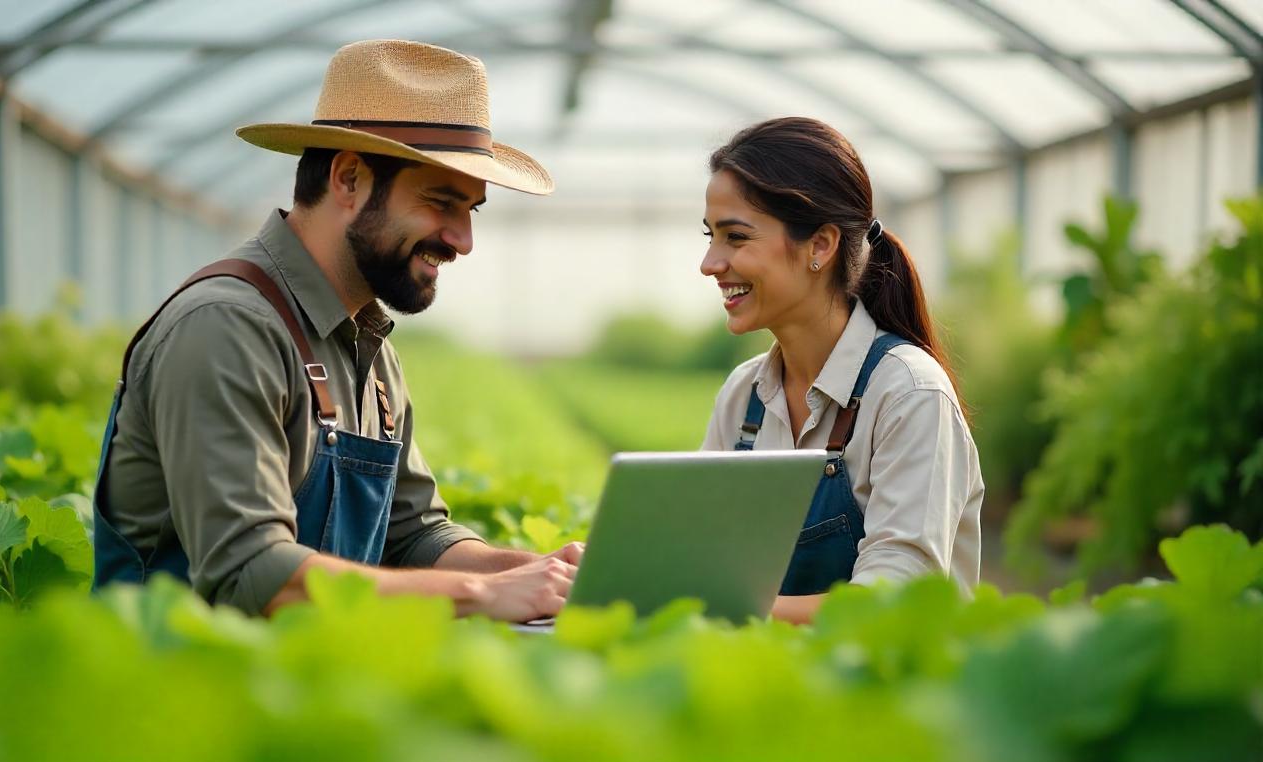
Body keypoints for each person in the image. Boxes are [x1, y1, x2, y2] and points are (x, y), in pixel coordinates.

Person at [91, 39, 580, 620]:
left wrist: (544, 573)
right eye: (441, 202)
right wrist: (482, 594)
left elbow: (414, 534)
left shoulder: (367, 345)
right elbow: (249, 573)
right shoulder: (226, 327)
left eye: (469, 210)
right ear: (349, 179)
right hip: (180, 673)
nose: (462, 240)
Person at [698, 117, 983, 624]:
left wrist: (711, 606)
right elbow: (703, 557)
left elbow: (891, 602)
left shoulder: (908, 393)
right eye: (710, 236)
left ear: (821, 246)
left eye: (735, 237)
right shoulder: (744, 396)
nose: (710, 263)